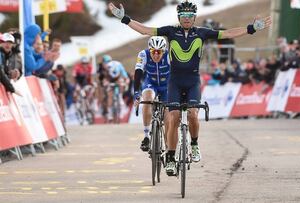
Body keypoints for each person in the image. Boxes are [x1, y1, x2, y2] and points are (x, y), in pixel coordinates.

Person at [108, 0, 271, 176]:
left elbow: (227, 33)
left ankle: (194, 144)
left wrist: (251, 28)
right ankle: (170, 157)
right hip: (174, 81)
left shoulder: (202, 33)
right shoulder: (170, 31)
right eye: (183, 16)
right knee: (173, 118)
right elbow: (145, 30)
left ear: (194, 17)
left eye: (190, 16)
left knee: (193, 114)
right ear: (179, 17)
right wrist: (124, 18)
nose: (187, 19)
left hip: (193, 80)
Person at [133, 36, 171, 152]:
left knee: (167, 115)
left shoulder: (170, 56)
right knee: (147, 99)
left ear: (163, 51)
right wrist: (136, 94)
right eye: (153, 51)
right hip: (151, 83)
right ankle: (146, 137)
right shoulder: (143, 54)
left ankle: (169, 147)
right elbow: (138, 73)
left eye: (158, 52)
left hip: (167, 85)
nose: (155, 55)